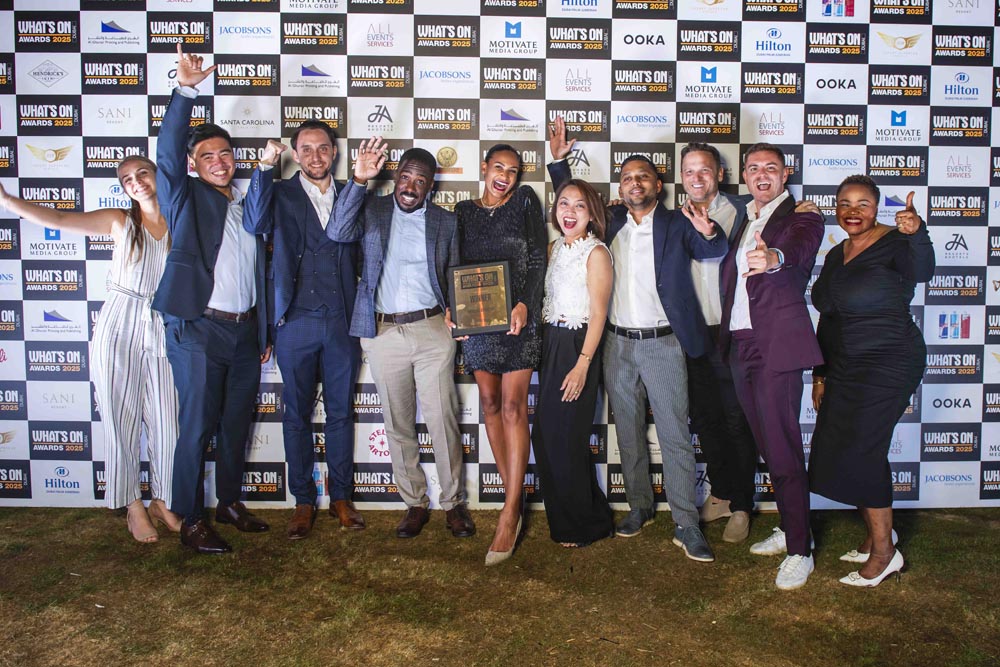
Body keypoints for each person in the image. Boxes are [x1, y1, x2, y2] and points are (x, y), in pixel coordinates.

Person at [547, 118, 724, 563]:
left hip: (664, 344)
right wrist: (558, 162)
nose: (634, 183)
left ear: (658, 184)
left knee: (674, 434)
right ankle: (640, 506)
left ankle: (686, 523)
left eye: (643, 176)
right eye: (627, 177)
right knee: (627, 431)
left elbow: (712, 249)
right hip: (616, 344)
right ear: (620, 188)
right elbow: (573, 204)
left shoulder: (678, 222)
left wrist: (709, 231)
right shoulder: (609, 221)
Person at [0, 158, 182, 543]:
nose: (136, 182)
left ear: (158, 175)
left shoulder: (180, 220)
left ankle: (163, 499)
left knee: (168, 421)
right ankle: (131, 505)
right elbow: (60, 220)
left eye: (143, 173)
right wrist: (7, 200)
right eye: (127, 179)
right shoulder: (120, 220)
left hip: (164, 324)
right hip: (119, 323)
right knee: (119, 418)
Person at [153, 45, 271, 554]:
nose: (219, 163)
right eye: (208, 157)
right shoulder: (183, 195)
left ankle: (228, 502)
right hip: (198, 327)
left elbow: (256, 273)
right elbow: (166, 155)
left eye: (225, 154)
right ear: (192, 164)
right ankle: (190, 518)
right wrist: (185, 91)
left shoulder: (246, 206)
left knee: (235, 423)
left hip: (244, 333)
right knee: (197, 425)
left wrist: (262, 331)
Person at [327, 141, 476, 540]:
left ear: (431, 186)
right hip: (383, 332)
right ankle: (414, 503)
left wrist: (458, 312)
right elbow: (337, 231)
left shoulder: (445, 222)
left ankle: (453, 503)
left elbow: (456, 272)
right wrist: (359, 179)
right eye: (406, 177)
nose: (411, 186)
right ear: (396, 176)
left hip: (432, 329)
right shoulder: (371, 209)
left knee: (442, 419)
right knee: (397, 422)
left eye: (420, 181)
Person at [810, 177, 934, 587]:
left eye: (863, 203)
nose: (853, 210)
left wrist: (917, 232)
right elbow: (828, 317)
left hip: (890, 361)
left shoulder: (897, 242)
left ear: (877, 208)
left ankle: (885, 554)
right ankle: (877, 536)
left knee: (864, 449)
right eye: (845, 203)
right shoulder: (837, 254)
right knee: (842, 447)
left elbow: (924, 270)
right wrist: (821, 374)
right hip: (846, 365)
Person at [243, 123, 364, 540]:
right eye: (307, 149)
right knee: (296, 414)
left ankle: (342, 497)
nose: (315, 156)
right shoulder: (278, 193)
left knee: (341, 412)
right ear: (295, 155)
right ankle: (303, 500)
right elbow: (254, 222)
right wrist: (264, 168)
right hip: (294, 321)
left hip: (342, 321)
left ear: (334, 152)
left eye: (323, 148)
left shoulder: (352, 193)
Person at [718, 143, 824, 590]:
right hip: (740, 344)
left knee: (782, 448)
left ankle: (801, 550)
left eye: (771, 168)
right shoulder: (746, 217)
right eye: (754, 168)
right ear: (745, 176)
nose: (762, 175)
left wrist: (774, 258)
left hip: (775, 346)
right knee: (767, 444)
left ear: (785, 174)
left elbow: (799, 247)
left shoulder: (802, 215)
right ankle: (791, 526)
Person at [453, 144, 547, 565]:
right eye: (498, 167)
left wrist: (526, 303)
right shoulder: (462, 211)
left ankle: (509, 513)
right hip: (479, 323)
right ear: (484, 168)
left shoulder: (525, 201)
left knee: (513, 407)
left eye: (512, 170)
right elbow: (453, 266)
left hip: (519, 321)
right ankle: (515, 497)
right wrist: (453, 311)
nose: (504, 176)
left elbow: (538, 259)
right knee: (489, 403)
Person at [678, 143, 759, 544]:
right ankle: (722, 493)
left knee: (736, 419)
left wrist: (805, 209)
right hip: (694, 333)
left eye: (704, 170)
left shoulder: (746, 210)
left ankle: (742, 503)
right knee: (706, 419)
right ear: (681, 178)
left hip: (734, 332)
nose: (697, 178)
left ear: (720, 174)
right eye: (689, 171)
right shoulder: (673, 218)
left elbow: (786, 214)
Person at [530, 179, 614, 549]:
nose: (570, 211)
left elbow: (599, 314)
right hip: (551, 343)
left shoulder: (596, 253)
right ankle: (583, 516)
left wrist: (582, 365)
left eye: (579, 205)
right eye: (564, 203)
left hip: (578, 346)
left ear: (591, 214)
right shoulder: (553, 249)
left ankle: (585, 525)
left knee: (566, 437)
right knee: (546, 436)